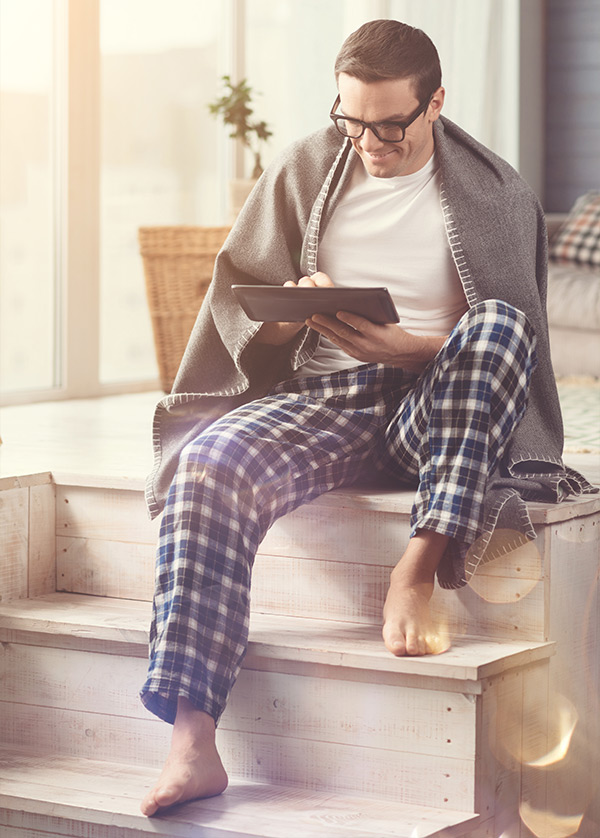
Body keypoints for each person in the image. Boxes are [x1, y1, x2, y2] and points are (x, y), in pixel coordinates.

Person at [139, 19, 594, 817]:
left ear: (435, 103)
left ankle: (415, 573)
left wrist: (414, 348)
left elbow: (513, 348)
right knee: (207, 465)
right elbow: (242, 307)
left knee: (498, 326)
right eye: (351, 122)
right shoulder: (307, 168)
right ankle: (192, 740)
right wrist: (291, 313)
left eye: (389, 126)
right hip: (324, 399)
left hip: (437, 409)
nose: (369, 143)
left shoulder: (496, 194)